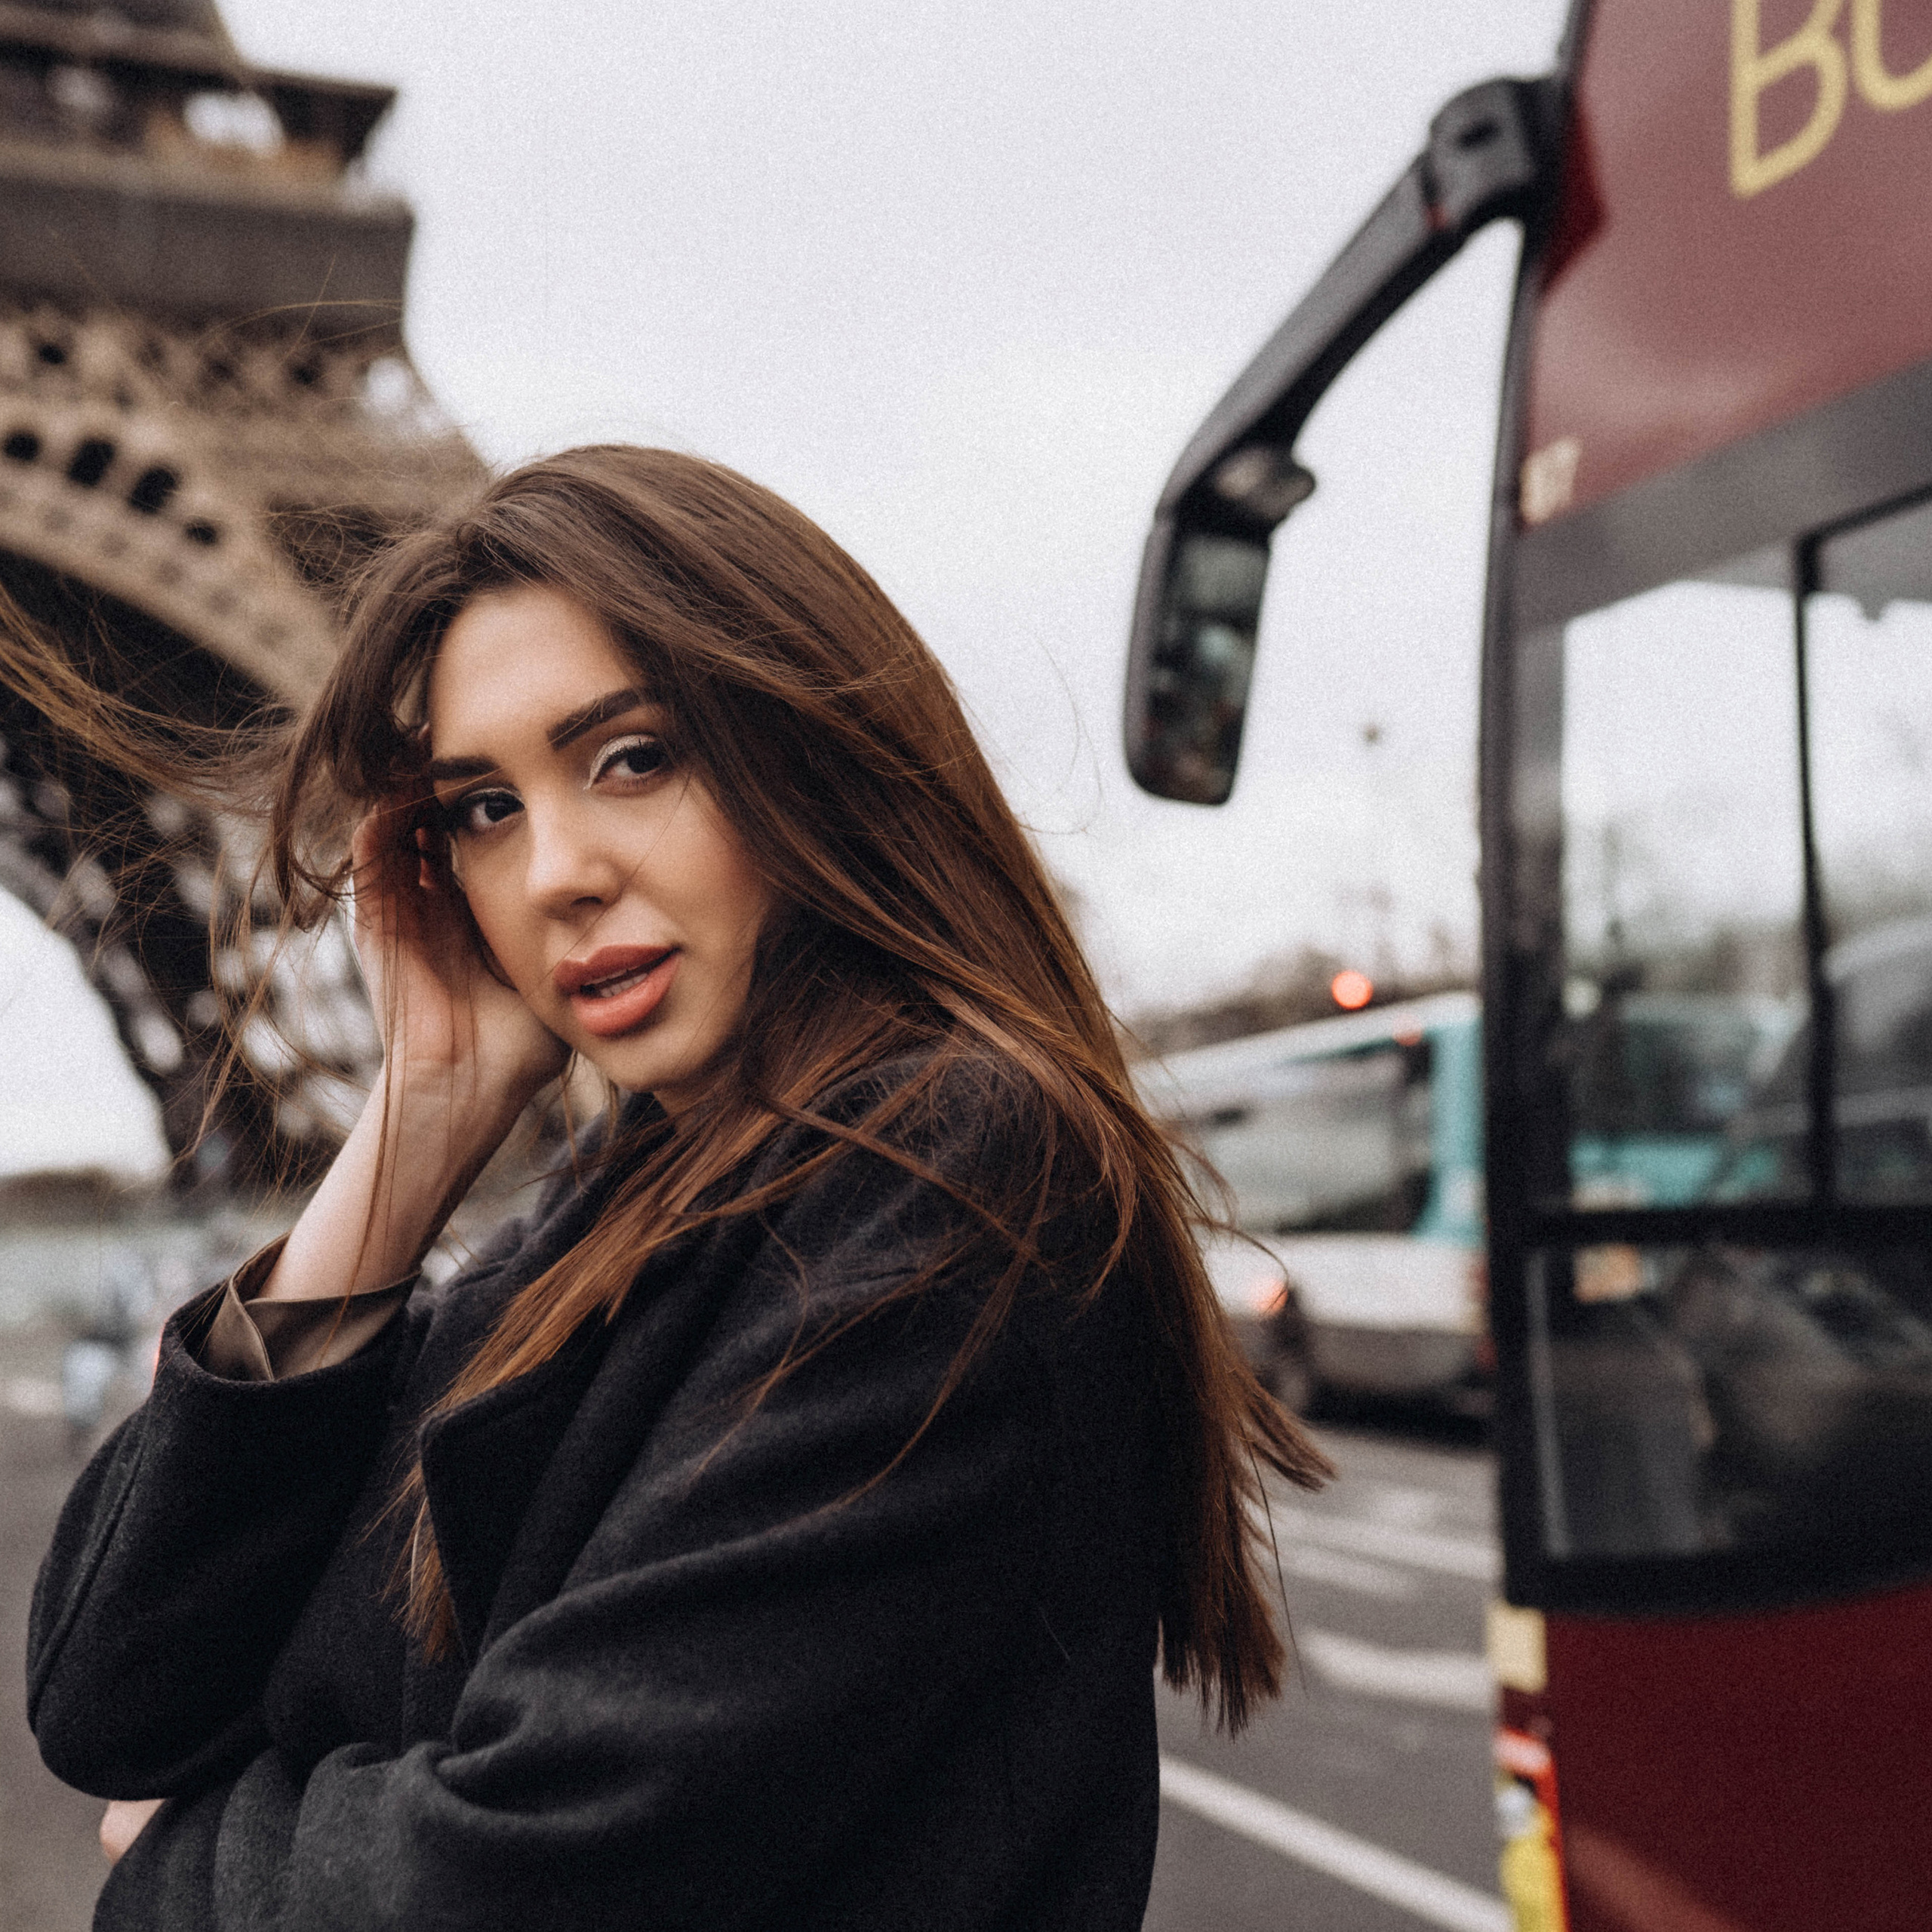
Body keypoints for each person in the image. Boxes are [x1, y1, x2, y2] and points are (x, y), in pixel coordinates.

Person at [24, 446, 1328, 1930]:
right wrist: (420, 1118)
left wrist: (175, 1864)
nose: (555, 872)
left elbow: (523, 1874)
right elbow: (103, 1690)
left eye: (631, 757)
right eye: (481, 807)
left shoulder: (952, 1165)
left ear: (807, 749)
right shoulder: (622, 1201)